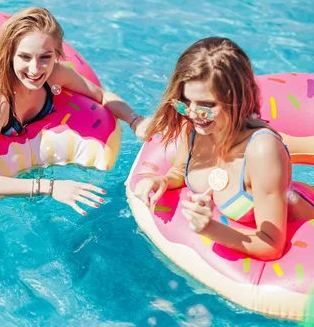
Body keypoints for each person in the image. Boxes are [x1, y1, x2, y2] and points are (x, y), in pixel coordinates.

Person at [133, 37, 314, 260]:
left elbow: (272, 244)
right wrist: (162, 181)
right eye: (185, 101)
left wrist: (209, 229)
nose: (192, 113)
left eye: (207, 106)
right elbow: (180, 170)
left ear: (236, 101)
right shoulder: (191, 127)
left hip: (304, 219)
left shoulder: (262, 151)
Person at [0, 7, 149, 215]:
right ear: (9, 55)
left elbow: (102, 96)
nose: (35, 69)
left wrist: (135, 121)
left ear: (57, 54)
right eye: (24, 57)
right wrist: (51, 187)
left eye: (45, 57)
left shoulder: (56, 75)